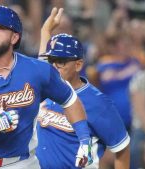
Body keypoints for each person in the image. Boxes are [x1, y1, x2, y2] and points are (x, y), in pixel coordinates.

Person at [0, 5, 91, 169]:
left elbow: (69, 100)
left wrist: (84, 139)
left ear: (14, 38)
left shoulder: (36, 70)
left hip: (22, 163)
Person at [36, 8, 130, 169]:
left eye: (61, 61)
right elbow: (41, 63)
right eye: (51, 61)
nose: (54, 66)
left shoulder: (98, 103)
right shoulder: (45, 86)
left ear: (78, 64)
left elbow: (122, 149)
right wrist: (45, 31)